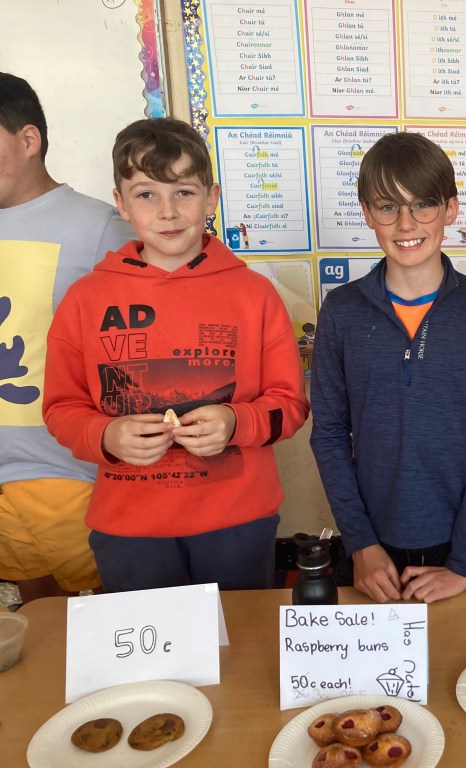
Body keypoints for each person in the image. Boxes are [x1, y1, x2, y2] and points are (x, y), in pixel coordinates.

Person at [42, 117, 309, 592]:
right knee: (146, 643)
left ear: (211, 198)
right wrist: (106, 434)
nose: (167, 212)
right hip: (129, 529)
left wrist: (235, 422)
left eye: (184, 192)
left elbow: (290, 405)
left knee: (240, 637)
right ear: (121, 203)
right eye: (146, 194)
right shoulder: (86, 299)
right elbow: (61, 409)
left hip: (238, 522)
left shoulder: (255, 294)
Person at [309, 131, 466, 604]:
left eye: (423, 204)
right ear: (368, 214)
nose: (406, 223)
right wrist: (361, 544)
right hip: (370, 547)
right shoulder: (341, 312)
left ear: (450, 209)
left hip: (462, 546)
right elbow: (329, 434)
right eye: (388, 207)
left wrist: (463, 563)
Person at [0, 72, 136, 604]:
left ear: (29, 140)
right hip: (6, 484)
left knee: (108, 624)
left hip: (73, 474)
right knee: (33, 629)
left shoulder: (102, 227)